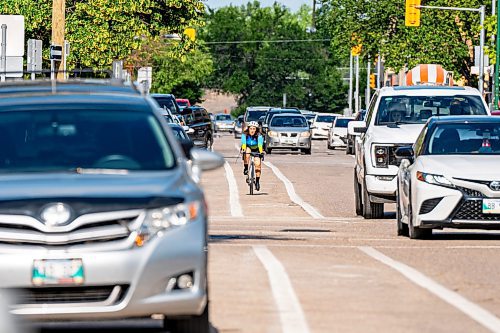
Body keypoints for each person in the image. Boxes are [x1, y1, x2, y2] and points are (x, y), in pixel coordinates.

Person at [241, 121, 264, 191]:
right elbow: (244, 144)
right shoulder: (245, 135)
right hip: (248, 147)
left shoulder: (259, 136)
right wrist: (244, 150)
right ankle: (246, 167)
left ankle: (257, 182)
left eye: (254, 129)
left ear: (256, 129)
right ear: (248, 129)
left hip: (256, 149)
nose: (252, 130)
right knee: (247, 153)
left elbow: (260, 145)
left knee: (258, 166)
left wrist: (261, 152)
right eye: (251, 129)